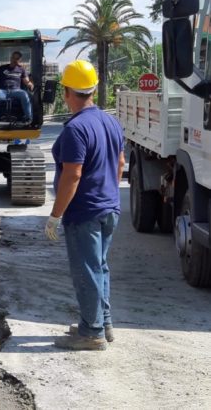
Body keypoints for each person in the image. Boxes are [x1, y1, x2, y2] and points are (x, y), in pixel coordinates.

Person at [44, 59, 125, 351]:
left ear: (67, 91)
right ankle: (103, 323)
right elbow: (119, 163)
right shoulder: (110, 121)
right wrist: (109, 195)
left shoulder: (76, 129)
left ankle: (91, 333)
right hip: (108, 208)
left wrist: (56, 215)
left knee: (87, 271)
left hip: (85, 213)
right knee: (99, 267)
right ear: (91, 89)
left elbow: (73, 174)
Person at [0, 50, 34, 121]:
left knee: (24, 94)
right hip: (2, 91)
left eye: (17, 58)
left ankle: (28, 118)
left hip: (16, 91)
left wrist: (30, 84)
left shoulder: (21, 70)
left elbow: (26, 81)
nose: (14, 60)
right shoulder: (2, 68)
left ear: (20, 60)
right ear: (11, 58)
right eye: (13, 58)